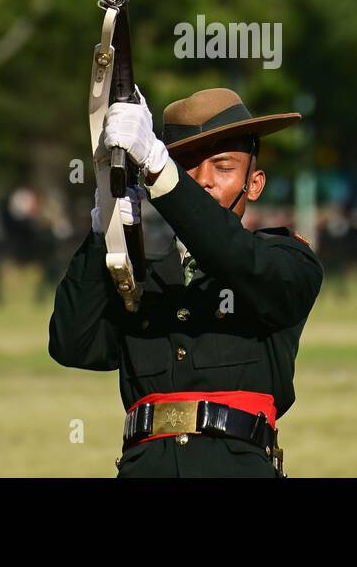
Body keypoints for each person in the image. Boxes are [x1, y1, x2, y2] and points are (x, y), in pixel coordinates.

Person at [49, 87, 322, 477]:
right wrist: (102, 230)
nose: (204, 181)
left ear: (255, 183)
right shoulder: (142, 273)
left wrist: (162, 169)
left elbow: (234, 254)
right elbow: (73, 345)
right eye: (188, 167)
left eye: (223, 167)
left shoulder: (284, 259)